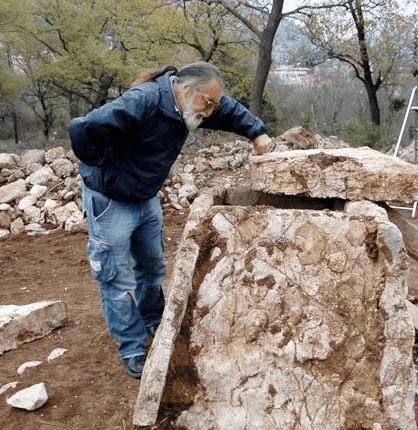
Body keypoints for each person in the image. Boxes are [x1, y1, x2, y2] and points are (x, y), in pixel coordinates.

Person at [69, 62, 273, 379]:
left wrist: (257, 132)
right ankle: (133, 347)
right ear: (187, 89)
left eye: (212, 104)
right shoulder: (144, 101)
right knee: (115, 279)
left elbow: (227, 109)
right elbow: (84, 128)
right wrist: (104, 169)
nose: (210, 111)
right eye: (208, 103)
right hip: (111, 202)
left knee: (152, 268)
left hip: (146, 198)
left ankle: (153, 319)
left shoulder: (191, 105)